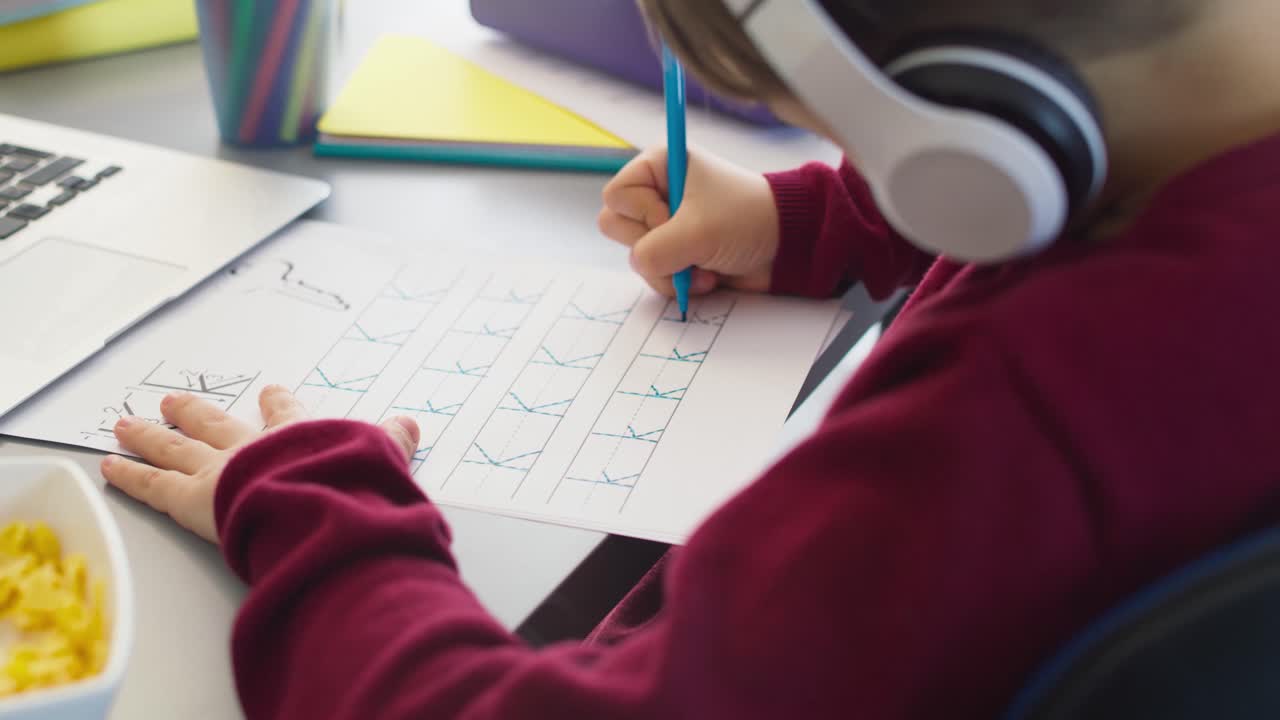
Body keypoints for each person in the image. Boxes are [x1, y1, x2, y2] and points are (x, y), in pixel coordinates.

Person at [100, 1, 1280, 717]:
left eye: (851, 126)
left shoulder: (1024, 413)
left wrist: (314, 507)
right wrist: (823, 219)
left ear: (964, 126)